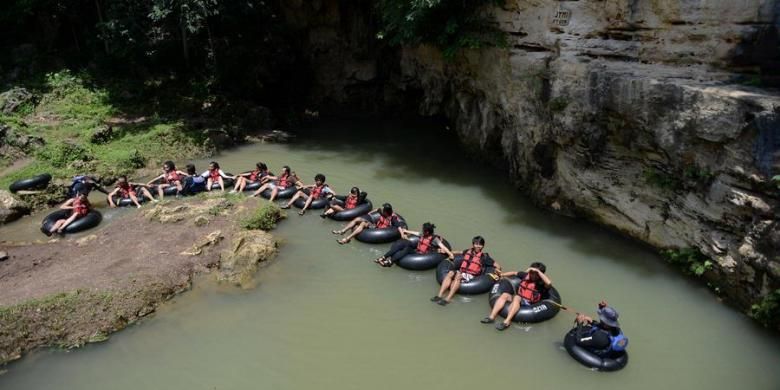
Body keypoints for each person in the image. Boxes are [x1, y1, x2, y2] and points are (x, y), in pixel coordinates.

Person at [481, 262, 552, 330]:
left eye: (535, 273)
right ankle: (492, 317)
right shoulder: (525, 276)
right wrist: (502, 275)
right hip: (519, 299)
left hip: (530, 304)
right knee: (505, 295)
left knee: (517, 297)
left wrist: (537, 271)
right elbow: (514, 273)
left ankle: (506, 322)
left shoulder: (541, 283)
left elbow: (549, 283)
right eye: (531, 272)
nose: (532, 275)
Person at [431, 236, 501, 306]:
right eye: (476, 244)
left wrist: (497, 270)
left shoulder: (485, 257)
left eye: (480, 245)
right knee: (450, 273)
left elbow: (497, 265)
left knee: (458, 276)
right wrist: (448, 252)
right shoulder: (468, 251)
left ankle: (448, 298)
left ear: (483, 246)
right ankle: (439, 295)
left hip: (471, 276)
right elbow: (459, 252)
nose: (478, 246)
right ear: (473, 244)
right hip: (462, 272)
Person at [374, 222, 454, 267]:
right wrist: (406, 231)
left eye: (423, 229)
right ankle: (383, 257)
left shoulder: (434, 239)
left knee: (407, 249)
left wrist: (450, 254)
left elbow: (443, 246)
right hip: (417, 251)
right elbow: (416, 233)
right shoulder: (423, 235)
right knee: (401, 244)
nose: (422, 230)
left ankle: (390, 262)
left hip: (423, 255)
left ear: (427, 232)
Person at [332, 203, 402, 245]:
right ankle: (342, 231)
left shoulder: (392, 218)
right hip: (375, 227)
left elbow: (399, 226)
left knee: (362, 224)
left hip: (380, 231)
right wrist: (369, 213)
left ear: (386, 211)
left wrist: (402, 234)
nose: (382, 209)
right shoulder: (382, 213)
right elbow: (378, 209)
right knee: (358, 219)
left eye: (383, 209)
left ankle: (347, 239)